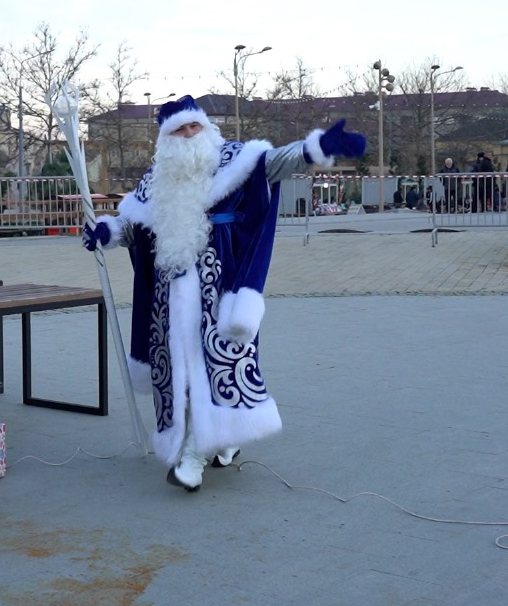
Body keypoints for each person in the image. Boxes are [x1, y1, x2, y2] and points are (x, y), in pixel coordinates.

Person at [81, 95, 366, 492]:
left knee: (217, 365)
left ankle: (194, 456)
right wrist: (108, 231)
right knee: (179, 371)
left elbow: (275, 162)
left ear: (205, 127)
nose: (188, 134)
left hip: (221, 286)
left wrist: (314, 148)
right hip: (169, 297)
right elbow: (135, 226)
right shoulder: (155, 178)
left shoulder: (234, 158)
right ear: (165, 138)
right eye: (179, 130)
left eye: (193, 126)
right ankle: (221, 437)